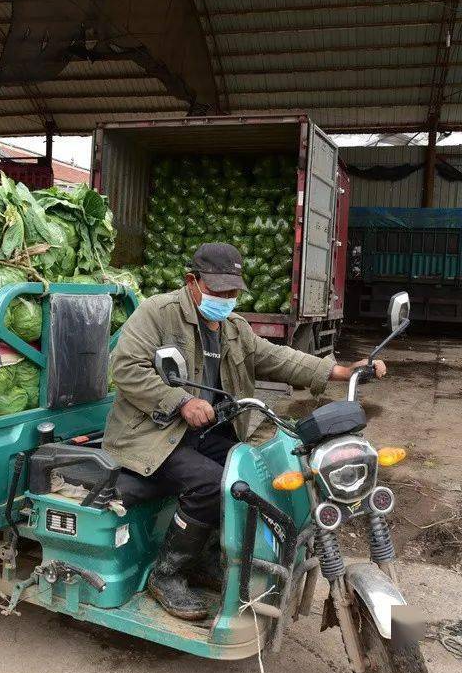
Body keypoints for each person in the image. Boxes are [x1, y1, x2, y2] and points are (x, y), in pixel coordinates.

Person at [103, 243, 386, 620]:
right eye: (218, 291)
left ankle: (204, 558)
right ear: (192, 281)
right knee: (211, 483)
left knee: (253, 475)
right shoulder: (158, 313)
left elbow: (277, 358)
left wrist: (341, 371)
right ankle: (166, 574)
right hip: (151, 434)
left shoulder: (233, 327)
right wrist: (180, 401)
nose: (226, 299)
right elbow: (125, 368)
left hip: (205, 432)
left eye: (233, 292)